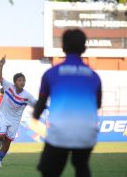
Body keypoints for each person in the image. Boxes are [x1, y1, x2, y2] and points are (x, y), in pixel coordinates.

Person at [33, 29, 102, 177]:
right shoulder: (94, 76)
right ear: (84, 48)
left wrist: (34, 117)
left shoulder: (51, 73)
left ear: (63, 47)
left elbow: (41, 103)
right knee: (82, 165)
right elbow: (97, 104)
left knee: (49, 171)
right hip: (86, 131)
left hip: (60, 132)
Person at [0, 55, 37, 167]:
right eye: (20, 80)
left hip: (15, 121)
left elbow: (37, 104)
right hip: (3, 116)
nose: (22, 82)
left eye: (23, 80)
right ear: (14, 82)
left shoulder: (27, 95)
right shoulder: (8, 87)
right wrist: (1, 64)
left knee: (8, 142)